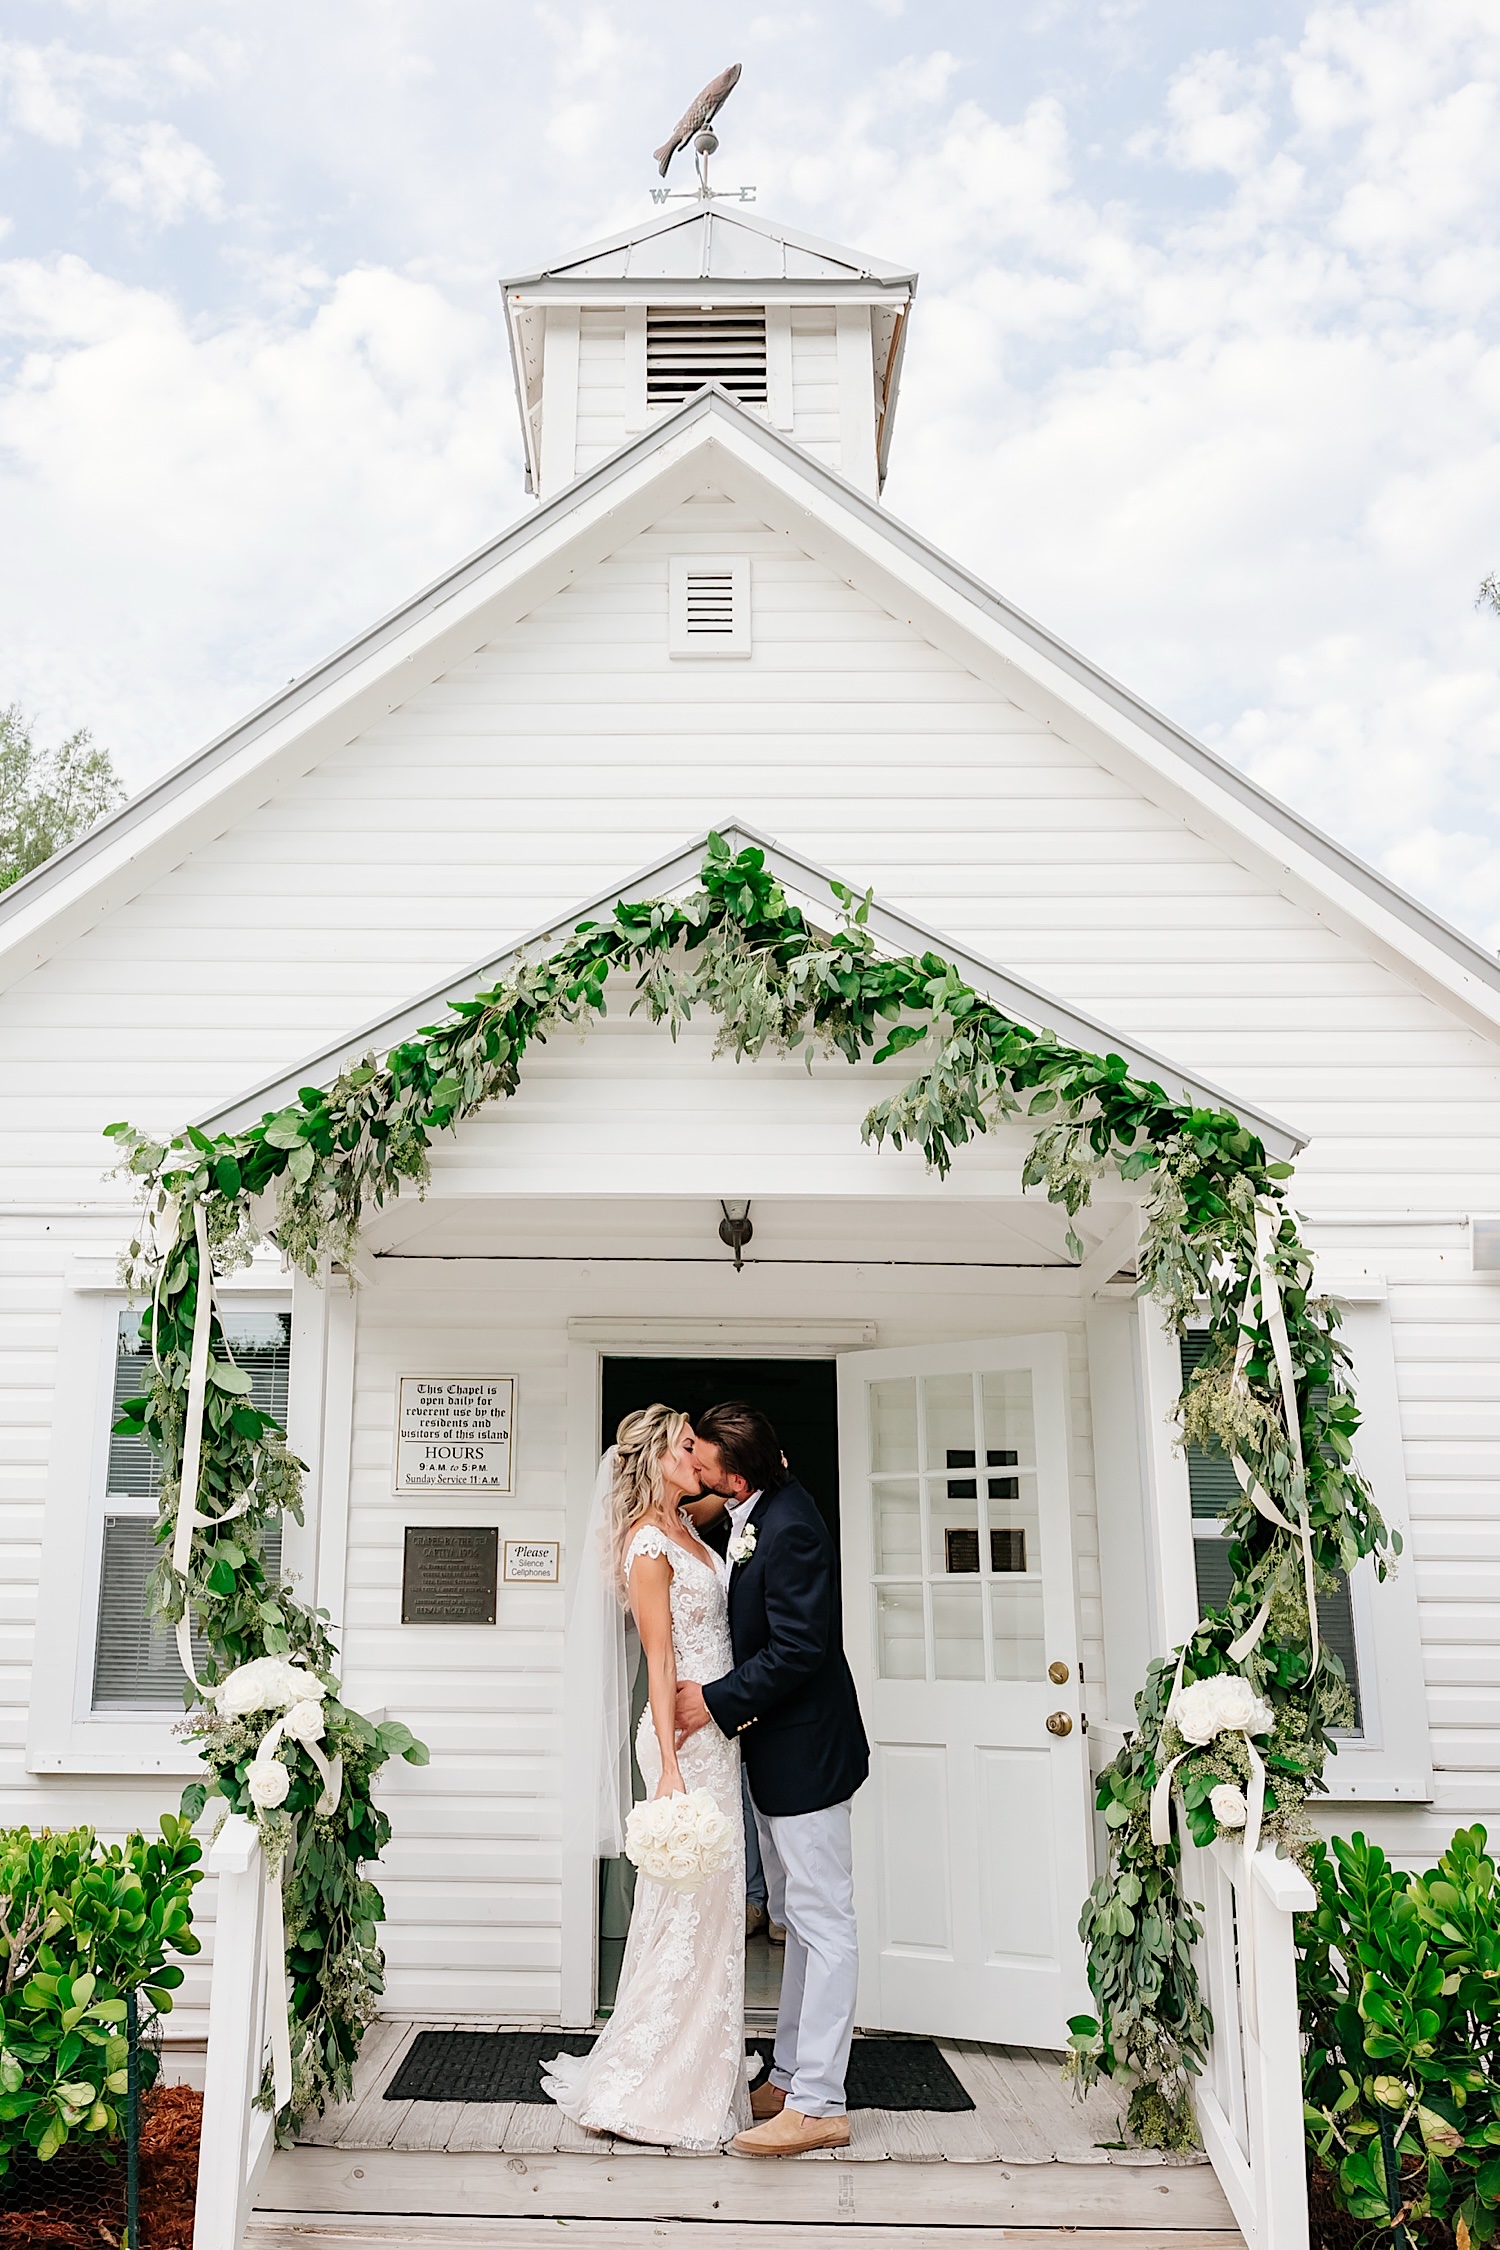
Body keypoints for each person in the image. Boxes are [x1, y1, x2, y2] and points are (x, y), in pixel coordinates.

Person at [540, 1406, 751, 2149]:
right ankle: (653, 2078)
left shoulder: (690, 1522)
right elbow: (660, 1661)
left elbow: (736, 1492)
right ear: (658, 1456)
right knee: (684, 1909)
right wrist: (666, 1767)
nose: (698, 1454)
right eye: (687, 1445)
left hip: (714, 1736)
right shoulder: (650, 1544)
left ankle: (701, 2056)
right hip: (682, 1743)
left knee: (715, 1912)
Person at [677, 1401, 870, 2158]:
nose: (689, 1465)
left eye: (699, 1460)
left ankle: (821, 2102)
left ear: (736, 1475)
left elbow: (797, 1649)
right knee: (799, 1922)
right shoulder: (760, 1505)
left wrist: (714, 1702)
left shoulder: (789, 1527)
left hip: (808, 1754)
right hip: (777, 1755)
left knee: (826, 1925)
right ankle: (789, 2077)